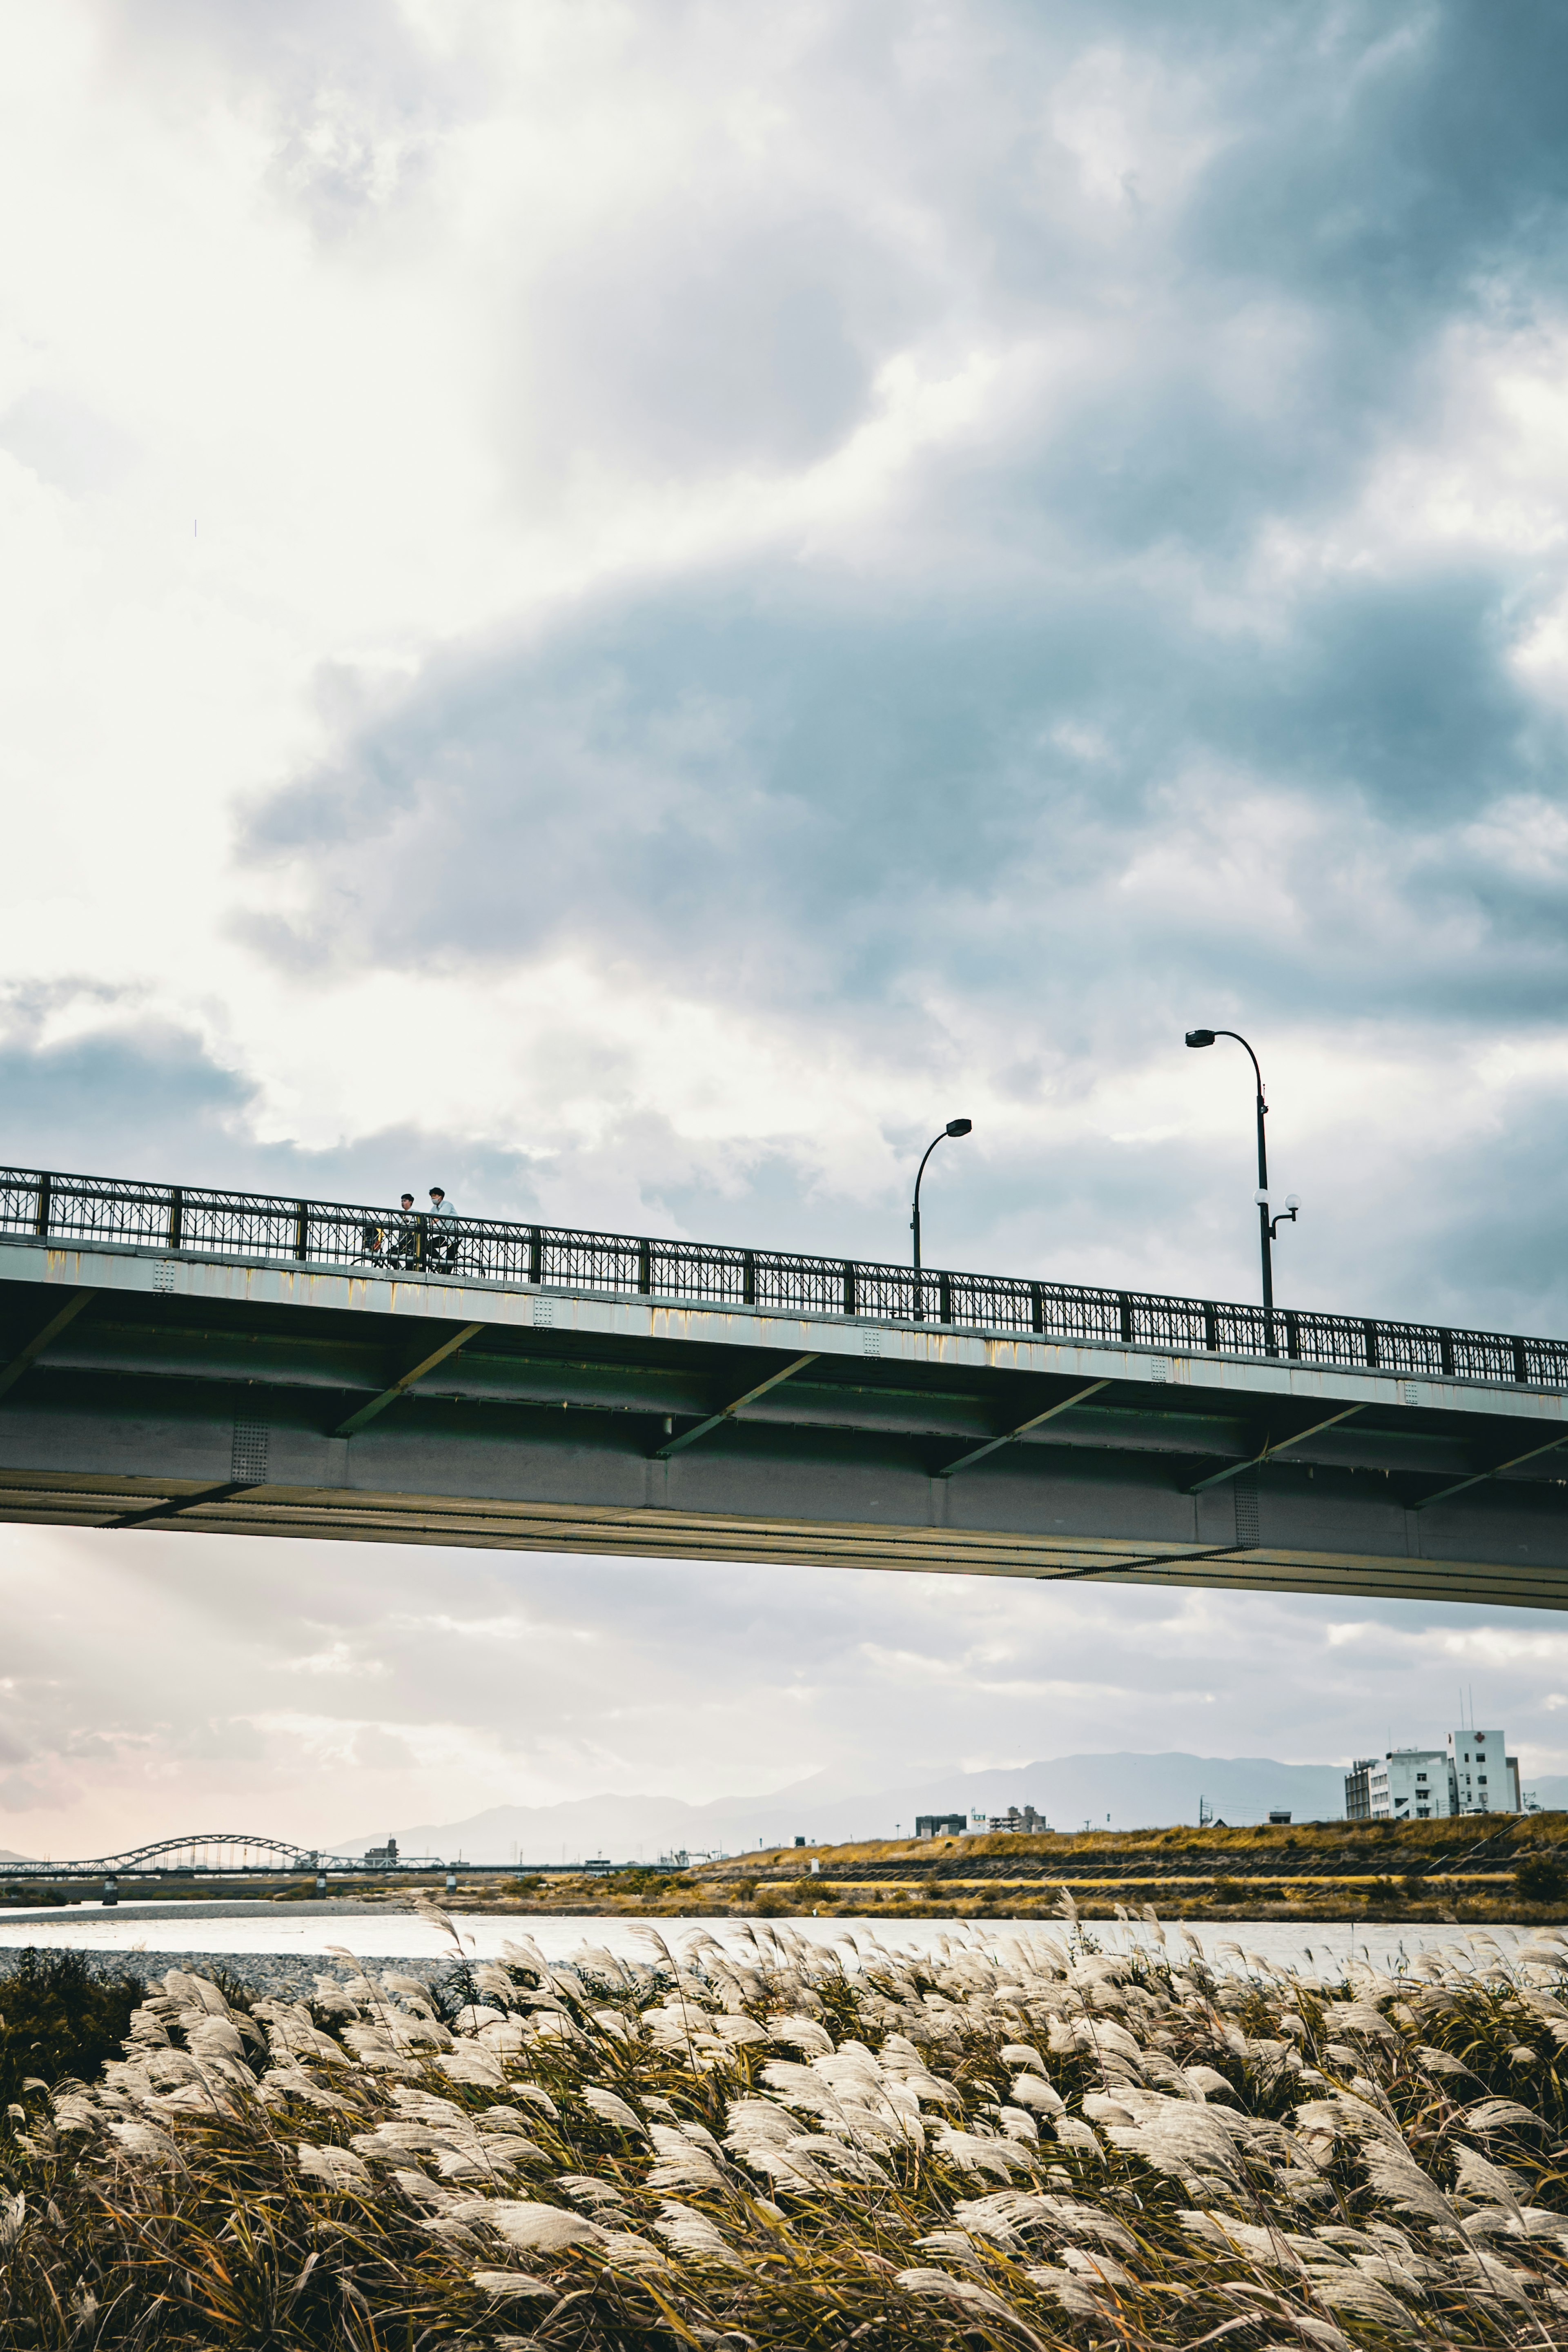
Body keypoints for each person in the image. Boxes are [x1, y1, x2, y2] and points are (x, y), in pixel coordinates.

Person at [428, 1185, 456, 1271]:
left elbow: (438, 1217)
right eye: (432, 1196)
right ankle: (441, 1263)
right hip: (445, 1235)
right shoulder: (434, 1208)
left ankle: (445, 1270)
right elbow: (429, 1218)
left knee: (450, 1259)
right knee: (427, 1245)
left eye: (435, 1196)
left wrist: (428, 1225)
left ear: (441, 1197)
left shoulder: (447, 1205)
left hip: (454, 1235)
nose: (433, 1198)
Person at [392, 1192, 418, 1268]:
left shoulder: (416, 1213)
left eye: (405, 1201)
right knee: (390, 1255)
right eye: (402, 1201)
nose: (403, 1203)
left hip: (412, 1243)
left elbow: (416, 1225)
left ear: (411, 1202)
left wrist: (406, 1220)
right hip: (402, 1242)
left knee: (409, 1261)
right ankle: (399, 1269)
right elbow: (394, 1226)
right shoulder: (400, 1215)